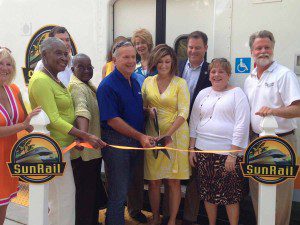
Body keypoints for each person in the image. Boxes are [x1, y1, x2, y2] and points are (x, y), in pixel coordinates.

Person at [28, 37, 106, 225]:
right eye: (58, 53)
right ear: (44, 54)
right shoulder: (41, 81)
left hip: (64, 148)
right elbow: (53, 119)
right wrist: (85, 135)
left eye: (65, 53)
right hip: (52, 150)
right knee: (61, 200)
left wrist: (78, 139)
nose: (64, 57)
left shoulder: (54, 78)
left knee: (65, 199)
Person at [244, 30, 300, 225]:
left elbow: (298, 109)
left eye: (267, 47)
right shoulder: (249, 78)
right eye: (259, 48)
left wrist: (274, 111)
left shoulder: (284, 74)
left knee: (280, 195)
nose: (263, 51)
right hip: (257, 142)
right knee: (258, 192)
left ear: (273, 49)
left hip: (281, 142)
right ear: (252, 51)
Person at [97, 41, 154, 225]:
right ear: (115, 60)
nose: (131, 61)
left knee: (132, 184)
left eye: (133, 57)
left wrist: (146, 112)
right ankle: (114, 221)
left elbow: (129, 108)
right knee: (118, 191)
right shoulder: (108, 85)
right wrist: (140, 136)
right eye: (126, 57)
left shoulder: (134, 80)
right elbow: (112, 119)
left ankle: (130, 214)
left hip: (135, 142)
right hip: (117, 144)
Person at [189, 58, 250, 225]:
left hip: (227, 155)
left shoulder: (237, 94)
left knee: (230, 196)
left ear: (228, 75)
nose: (216, 75)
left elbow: (241, 125)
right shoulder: (203, 93)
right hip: (203, 151)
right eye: (213, 72)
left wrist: (233, 154)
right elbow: (194, 121)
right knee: (208, 193)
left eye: (221, 72)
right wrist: (192, 148)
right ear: (209, 75)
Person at [142, 44, 190, 225]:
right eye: (160, 61)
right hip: (153, 136)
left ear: (173, 62)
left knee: (173, 181)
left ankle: (171, 220)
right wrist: (148, 111)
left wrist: (168, 134)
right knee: (154, 180)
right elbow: (143, 107)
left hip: (175, 136)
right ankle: (155, 216)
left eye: (167, 61)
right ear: (155, 62)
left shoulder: (180, 83)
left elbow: (184, 112)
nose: (163, 65)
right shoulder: (148, 82)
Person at [0, 48, 41, 225]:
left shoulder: (14, 89)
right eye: (0, 63)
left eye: (9, 64)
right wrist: (23, 126)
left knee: (3, 204)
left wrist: (42, 126)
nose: (5, 67)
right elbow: (22, 125)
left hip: (8, 158)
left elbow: (27, 120)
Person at [178, 30, 211, 225]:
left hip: (198, 129)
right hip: (176, 127)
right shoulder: (179, 66)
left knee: (195, 175)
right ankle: (170, 215)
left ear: (205, 48)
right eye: (190, 47)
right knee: (174, 171)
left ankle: (189, 218)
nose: (193, 51)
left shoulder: (211, 69)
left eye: (197, 48)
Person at [68, 53, 106, 225]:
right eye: (81, 67)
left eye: (89, 67)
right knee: (84, 196)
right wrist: (84, 136)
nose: (86, 70)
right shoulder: (77, 87)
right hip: (84, 154)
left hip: (92, 152)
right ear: (72, 69)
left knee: (91, 195)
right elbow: (82, 111)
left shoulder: (88, 85)